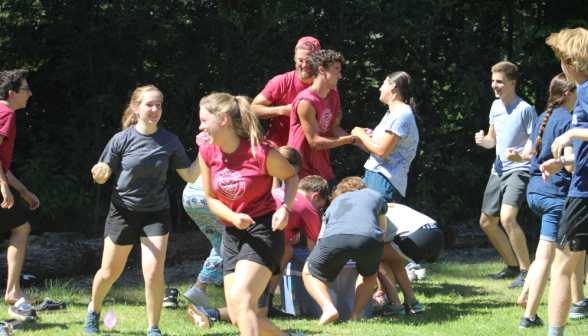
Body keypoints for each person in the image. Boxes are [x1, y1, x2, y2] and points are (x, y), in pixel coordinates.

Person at [83, 85, 200, 336]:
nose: (155, 109)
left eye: (159, 104)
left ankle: (153, 328)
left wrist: (208, 151)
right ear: (136, 108)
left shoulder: (170, 140)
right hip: (123, 212)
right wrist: (99, 174)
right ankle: (93, 311)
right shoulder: (121, 139)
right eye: (150, 104)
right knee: (109, 272)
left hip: (156, 213)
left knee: (154, 272)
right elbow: (103, 175)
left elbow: (190, 175)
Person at [197, 93, 302, 336]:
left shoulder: (261, 153)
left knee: (242, 301)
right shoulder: (206, 152)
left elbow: (292, 176)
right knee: (237, 315)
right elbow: (211, 199)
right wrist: (233, 218)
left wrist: (284, 207)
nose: (201, 127)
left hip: (263, 231)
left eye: (204, 120)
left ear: (223, 119)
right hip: (232, 234)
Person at [187, 175, 330, 328]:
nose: (318, 210)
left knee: (286, 250)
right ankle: (210, 314)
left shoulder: (278, 192)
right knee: (253, 310)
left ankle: (266, 302)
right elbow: (314, 251)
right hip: (256, 251)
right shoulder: (307, 209)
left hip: (231, 241)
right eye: (320, 206)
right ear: (315, 196)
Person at [504, 73, 584, 328]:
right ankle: (528, 314)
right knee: (549, 259)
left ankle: (573, 302)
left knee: (554, 254)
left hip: (535, 192)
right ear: (569, 94)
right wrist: (563, 162)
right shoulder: (569, 120)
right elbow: (570, 167)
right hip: (556, 195)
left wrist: (517, 158)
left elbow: (527, 154)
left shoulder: (543, 116)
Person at [540, 27, 588, 336]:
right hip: (580, 185)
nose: (561, 65)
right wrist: (563, 162)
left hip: (583, 196)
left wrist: (570, 133)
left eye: (561, 59)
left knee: (561, 267)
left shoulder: (584, 90)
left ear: (570, 61)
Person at [474, 61, 537, 288]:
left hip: (519, 170)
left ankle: (526, 271)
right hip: (497, 170)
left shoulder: (526, 110)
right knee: (486, 222)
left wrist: (521, 158)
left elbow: (534, 146)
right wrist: (483, 142)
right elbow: (493, 140)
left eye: (499, 82)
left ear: (513, 83)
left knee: (507, 217)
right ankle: (512, 267)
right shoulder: (495, 106)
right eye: (493, 81)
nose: (495, 86)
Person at [302, 177, 386, 325]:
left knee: (308, 271)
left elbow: (322, 237)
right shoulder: (374, 195)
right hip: (368, 239)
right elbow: (382, 232)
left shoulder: (335, 203)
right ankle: (356, 315)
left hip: (334, 238)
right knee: (369, 273)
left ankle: (328, 308)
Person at [287, 49, 359, 190]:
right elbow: (315, 142)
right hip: (300, 171)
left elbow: (331, 127)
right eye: (336, 70)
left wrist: (360, 143)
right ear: (321, 70)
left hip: (323, 170)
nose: (340, 75)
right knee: (305, 212)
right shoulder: (306, 101)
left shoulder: (333, 95)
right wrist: (351, 139)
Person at [351, 71, 422, 203]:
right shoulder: (391, 113)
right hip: (375, 177)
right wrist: (362, 140)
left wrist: (360, 133)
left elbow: (382, 152)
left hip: (385, 181)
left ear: (392, 86)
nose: (380, 88)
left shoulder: (401, 114)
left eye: (383, 83)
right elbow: (376, 149)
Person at [0, 69, 40, 305]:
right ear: (12, 92)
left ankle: (13, 290)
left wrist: (22, 190)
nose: (30, 93)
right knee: (22, 229)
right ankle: (13, 291)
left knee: (21, 228)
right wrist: (4, 188)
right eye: (26, 89)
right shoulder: (6, 114)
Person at [375, 203, 443, 316]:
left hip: (419, 236)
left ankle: (394, 305)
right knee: (391, 257)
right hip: (436, 234)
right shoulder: (388, 206)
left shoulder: (370, 213)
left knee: (375, 255)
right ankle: (412, 302)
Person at [251, 37, 321, 147]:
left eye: (309, 61)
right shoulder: (281, 82)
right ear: (294, 58)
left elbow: (336, 115)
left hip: (309, 151)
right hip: (277, 149)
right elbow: (252, 109)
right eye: (300, 60)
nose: (304, 65)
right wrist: (284, 110)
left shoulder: (326, 85)